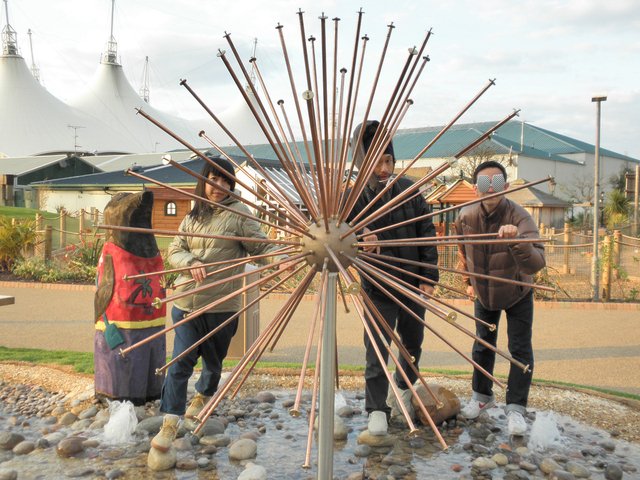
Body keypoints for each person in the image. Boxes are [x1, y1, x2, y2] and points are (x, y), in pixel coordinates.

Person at [151, 157, 284, 452]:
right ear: (204, 180)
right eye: (214, 180)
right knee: (180, 362)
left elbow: (261, 245)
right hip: (187, 301)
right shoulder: (193, 214)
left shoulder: (239, 214)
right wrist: (190, 261)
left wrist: (278, 259)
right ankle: (170, 420)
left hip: (222, 305)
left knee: (213, 363)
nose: (219, 187)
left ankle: (203, 396)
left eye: (226, 181)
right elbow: (176, 248)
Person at [349, 120, 439, 436]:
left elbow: (427, 233)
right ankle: (376, 409)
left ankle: (402, 387)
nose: (385, 168)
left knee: (413, 345)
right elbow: (334, 228)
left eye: (389, 161)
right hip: (377, 288)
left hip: (412, 285)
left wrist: (429, 277)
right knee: (376, 351)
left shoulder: (409, 191)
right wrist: (359, 234)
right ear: (363, 164)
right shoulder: (353, 198)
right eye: (377, 162)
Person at [455, 160, 545, 435]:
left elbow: (536, 263)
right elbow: (462, 251)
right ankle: (481, 397)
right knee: (482, 346)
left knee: (519, 350)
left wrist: (516, 240)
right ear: (475, 188)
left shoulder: (520, 217)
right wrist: (468, 281)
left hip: (517, 292)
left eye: (496, 184)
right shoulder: (465, 216)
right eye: (484, 184)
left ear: (505, 187)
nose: (490, 190)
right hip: (484, 293)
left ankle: (516, 408)